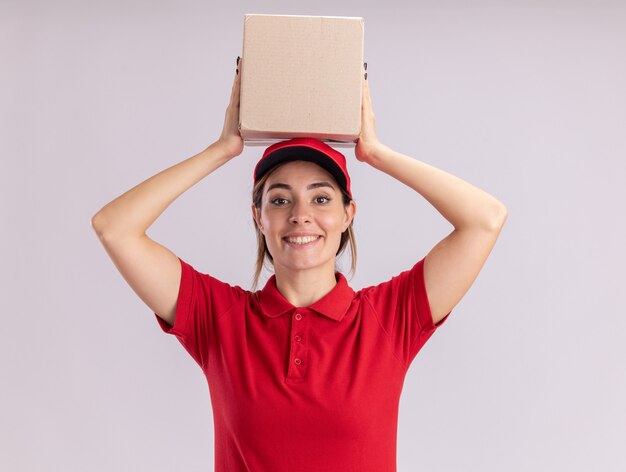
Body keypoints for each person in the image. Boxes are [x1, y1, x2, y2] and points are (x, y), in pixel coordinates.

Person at [91, 57, 507, 472]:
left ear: (348, 215)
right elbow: (115, 227)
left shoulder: (389, 318)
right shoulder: (218, 318)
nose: (300, 214)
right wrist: (222, 150)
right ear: (258, 216)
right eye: (279, 199)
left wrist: (377, 154)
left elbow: (484, 220)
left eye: (321, 198)